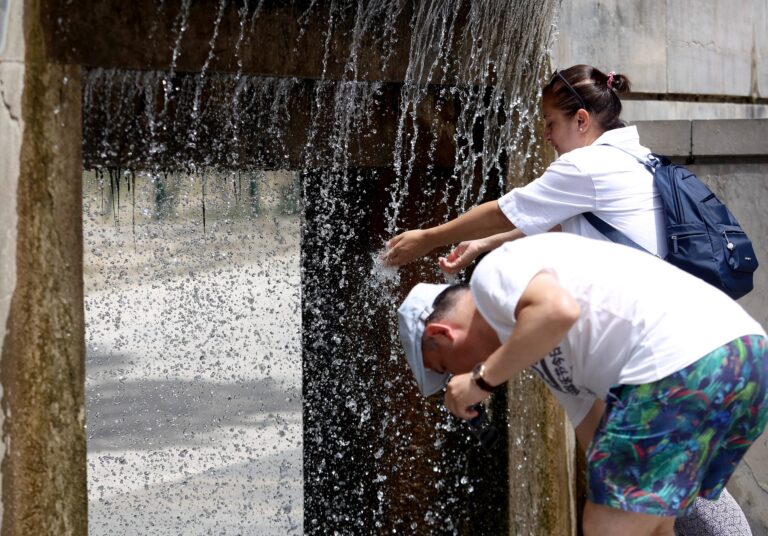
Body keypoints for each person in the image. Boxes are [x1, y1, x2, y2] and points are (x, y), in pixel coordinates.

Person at [397, 233, 767, 536]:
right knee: (651, 524)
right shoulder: (540, 352)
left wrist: (480, 381)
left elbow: (558, 310)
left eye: (446, 368)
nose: (455, 378)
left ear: (441, 333)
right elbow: (598, 443)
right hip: (745, 359)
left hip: (680, 363)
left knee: (605, 527)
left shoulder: (492, 275)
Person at [384, 64, 666, 274]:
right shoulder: (636, 157)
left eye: (550, 122)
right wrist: (483, 244)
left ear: (581, 120)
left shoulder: (585, 166)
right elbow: (555, 220)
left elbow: (502, 213)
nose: (546, 135)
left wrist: (428, 238)